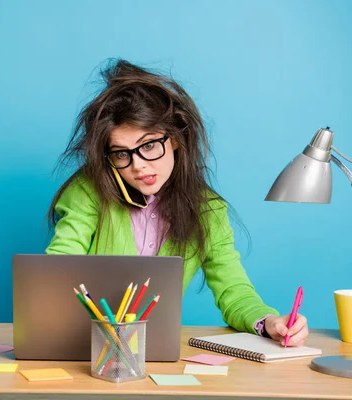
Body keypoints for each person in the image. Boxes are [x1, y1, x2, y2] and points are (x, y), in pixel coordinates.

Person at [45, 59, 308, 346]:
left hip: (156, 351)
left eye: (148, 146)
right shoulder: (88, 191)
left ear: (176, 139)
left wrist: (269, 322)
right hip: (87, 347)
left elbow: (234, 290)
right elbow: (61, 267)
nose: (139, 166)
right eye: (122, 154)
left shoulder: (207, 210)